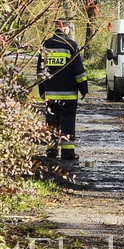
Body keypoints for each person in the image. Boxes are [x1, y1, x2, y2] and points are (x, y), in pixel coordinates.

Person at [37, 19, 88, 160]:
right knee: (68, 123)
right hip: (68, 95)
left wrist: (42, 90)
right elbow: (79, 72)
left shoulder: (46, 45)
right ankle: (67, 152)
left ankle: (51, 151)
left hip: (50, 94)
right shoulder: (71, 45)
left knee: (51, 122)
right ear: (65, 29)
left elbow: (40, 71)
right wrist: (84, 89)